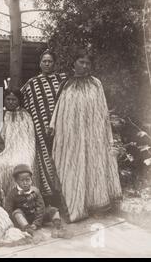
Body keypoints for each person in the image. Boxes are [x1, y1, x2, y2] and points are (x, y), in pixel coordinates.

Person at [50, 49, 122, 223]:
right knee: (73, 166)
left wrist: (101, 132)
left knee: (92, 166)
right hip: (71, 135)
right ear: (73, 63)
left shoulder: (96, 84)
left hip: (92, 133)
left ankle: (95, 204)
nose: (84, 65)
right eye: (81, 62)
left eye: (87, 63)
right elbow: (59, 108)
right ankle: (76, 204)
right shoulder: (66, 84)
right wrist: (53, 125)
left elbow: (102, 110)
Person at [20, 50, 67, 206]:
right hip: (42, 132)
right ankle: (51, 200)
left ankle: (67, 197)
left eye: (50, 61)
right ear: (40, 63)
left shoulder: (63, 80)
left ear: (54, 63)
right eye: (44, 61)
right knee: (46, 162)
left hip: (62, 129)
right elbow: (22, 102)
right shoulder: (31, 84)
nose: (47, 64)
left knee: (63, 161)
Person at [0, 88, 36, 196]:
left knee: (18, 163)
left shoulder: (25, 116)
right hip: (3, 150)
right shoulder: (0, 114)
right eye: (8, 99)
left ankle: (19, 196)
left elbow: (29, 138)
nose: (11, 102)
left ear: (19, 100)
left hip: (22, 150)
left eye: (14, 99)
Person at [5, 164, 71, 239]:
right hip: (24, 219)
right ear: (16, 181)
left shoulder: (35, 191)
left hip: (37, 216)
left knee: (53, 210)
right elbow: (8, 209)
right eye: (22, 180)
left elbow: (41, 207)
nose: (25, 183)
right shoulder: (12, 194)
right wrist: (17, 221)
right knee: (17, 212)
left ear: (31, 179)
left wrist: (36, 223)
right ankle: (30, 230)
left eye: (27, 180)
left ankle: (58, 228)